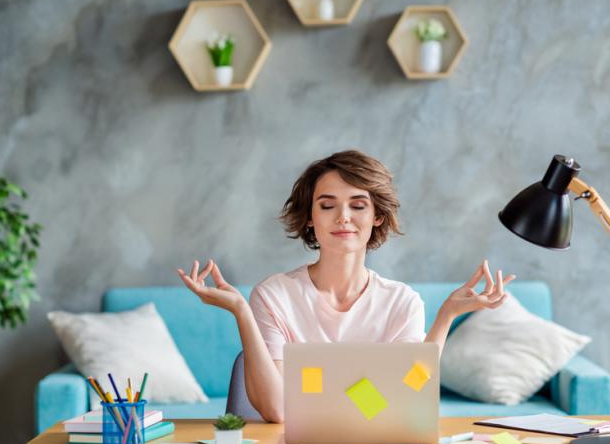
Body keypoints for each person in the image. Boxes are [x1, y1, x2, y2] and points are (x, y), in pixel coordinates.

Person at [178, 150, 515, 423]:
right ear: (310, 217)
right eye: (327, 205)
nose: (343, 217)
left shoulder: (401, 301)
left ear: (377, 216)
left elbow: (409, 394)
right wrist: (241, 311)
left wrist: (446, 316)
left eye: (358, 205)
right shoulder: (274, 295)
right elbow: (277, 410)